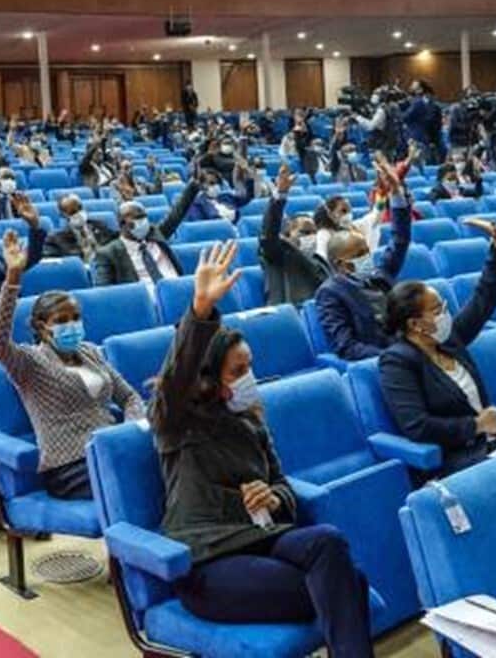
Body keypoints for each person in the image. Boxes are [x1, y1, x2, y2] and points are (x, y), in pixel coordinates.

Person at [151, 241, 374, 656]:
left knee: (327, 541)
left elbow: (281, 484)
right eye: (238, 371)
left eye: (250, 366)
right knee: (350, 584)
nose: (249, 377)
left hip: (262, 535)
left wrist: (274, 496)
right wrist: (199, 312)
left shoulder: (251, 419)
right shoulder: (176, 421)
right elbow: (173, 379)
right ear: (208, 377)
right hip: (209, 559)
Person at [0, 233, 145, 498]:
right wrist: (13, 278)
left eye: (76, 318)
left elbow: (129, 396)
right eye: (61, 320)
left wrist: (130, 429)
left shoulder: (91, 351)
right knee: (143, 480)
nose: (71, 325)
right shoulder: (30, 362)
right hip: (70, 465)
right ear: (42, 326)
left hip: (112, 447)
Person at [378, 218, 496, 477]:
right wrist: (475, 425)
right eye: (438, 310)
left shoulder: (449, 339)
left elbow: (485, 298)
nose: (445, 314)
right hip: (453, 460)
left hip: (491, 445)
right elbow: (417, 426)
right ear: (416, 324)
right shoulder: (396, 361)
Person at [314, 176, 414, 361]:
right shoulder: (330, 293)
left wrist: (397, 195)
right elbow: (347, 347)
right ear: (341, 264)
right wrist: (397, 357)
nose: (367, 257)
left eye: (367, 251)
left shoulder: (379, 276)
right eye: (359, 254)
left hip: (410, 345)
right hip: (386, 360)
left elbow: (400, 240)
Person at [92, 179, 197, 287]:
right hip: (146, 299)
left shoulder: (155, 234)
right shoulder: (107, 254)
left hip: (177, 288)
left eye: (144, 217)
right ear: (122, 225)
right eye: (137, 219)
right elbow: (104, 291)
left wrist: (194, 185)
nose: (143, 223)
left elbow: (177, 213)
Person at [260, 164, 333, 305]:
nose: (311, 237)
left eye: (313, 232)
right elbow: (269, 233)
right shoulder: (279, 252)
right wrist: (280, 195)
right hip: (294, 313)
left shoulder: (323, 255)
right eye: (304, 232)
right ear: (288, 234)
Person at [43, 192, 117, 263]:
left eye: (79, 208)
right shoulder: (55, 239)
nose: (78, 213)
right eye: (72, 212)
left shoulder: (100, 225)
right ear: (63, 215)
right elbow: (52, 262)